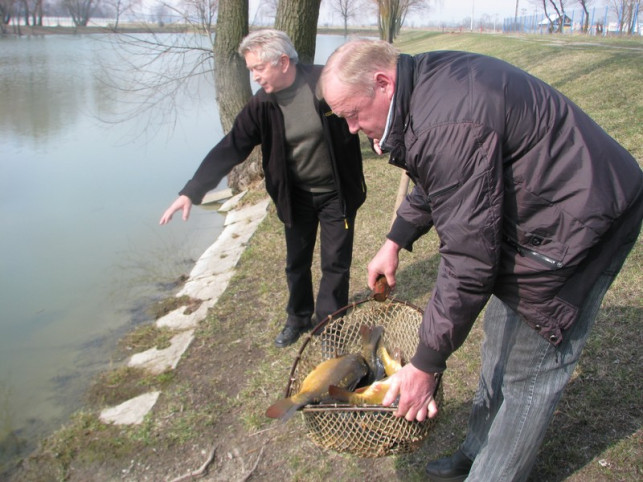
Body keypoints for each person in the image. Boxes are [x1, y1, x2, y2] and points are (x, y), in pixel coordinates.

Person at [319, 39, 642, 481]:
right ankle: (476, 451)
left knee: (531, 375)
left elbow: (469, 259)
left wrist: (427, 364)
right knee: (499, 346)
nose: (351, 128)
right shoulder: (422, 89)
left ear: (382, 83)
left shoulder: (446, 118)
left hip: (583, 222)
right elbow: (442, 178)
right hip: (536, 214)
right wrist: (395, 239)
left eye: (352, 114)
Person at [160, 30, 366, 348]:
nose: (255, 77)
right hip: (295, 197)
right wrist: (193, 190)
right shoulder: (262, 105)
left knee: (335, 263)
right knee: (296, 262)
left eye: (258, 68)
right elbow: (231, 146)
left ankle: (329, 326)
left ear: (283, 62)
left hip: (336, 194)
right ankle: (298, 318)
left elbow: (362, 109)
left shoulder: (325, 82)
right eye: (251, 70)